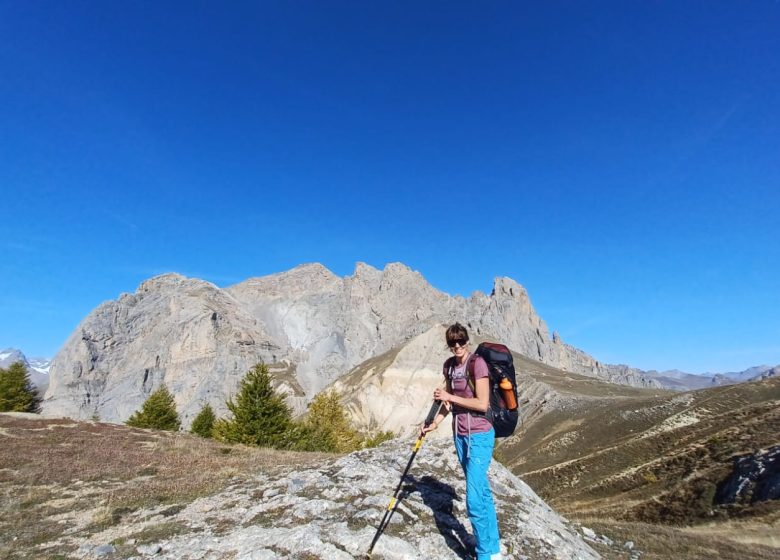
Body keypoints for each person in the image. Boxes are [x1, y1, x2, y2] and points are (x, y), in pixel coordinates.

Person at [421, 323, 502, 560]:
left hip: (480, 433)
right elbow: (450, 405)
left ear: (467, 340)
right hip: (460, 435)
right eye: (452, 342)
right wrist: (435, 423)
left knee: (475, 498)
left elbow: (482, 404)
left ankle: (485, 554)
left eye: (461, 341)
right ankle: (494, 548)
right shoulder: (449, 367)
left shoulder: (477, 364)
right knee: (482, 493)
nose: (457, 346)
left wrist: (448, 396)